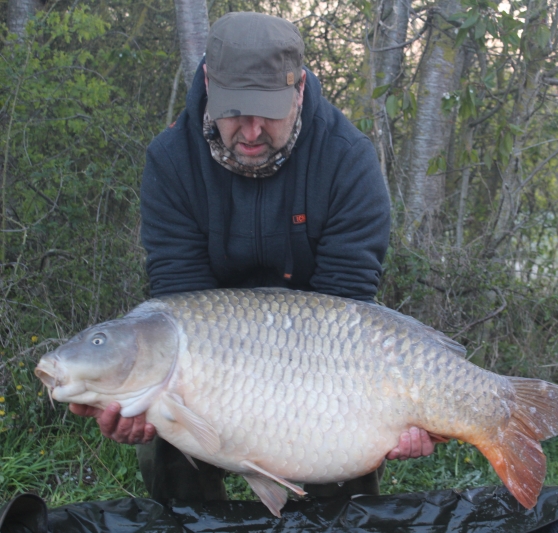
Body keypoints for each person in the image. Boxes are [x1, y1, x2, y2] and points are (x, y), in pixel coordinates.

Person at [69, 11, 434, 503]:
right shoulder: (172, 161)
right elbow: (181, 302)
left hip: (323, 363)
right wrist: (141, 403)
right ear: (207, 84)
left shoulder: (348, 159)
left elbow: (346, 316)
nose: (252, 130)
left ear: (300, 90)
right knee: (167, 419)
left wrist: (401, 419)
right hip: (211, 357)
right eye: (236, 110)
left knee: (344, 470)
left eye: (269, 111)